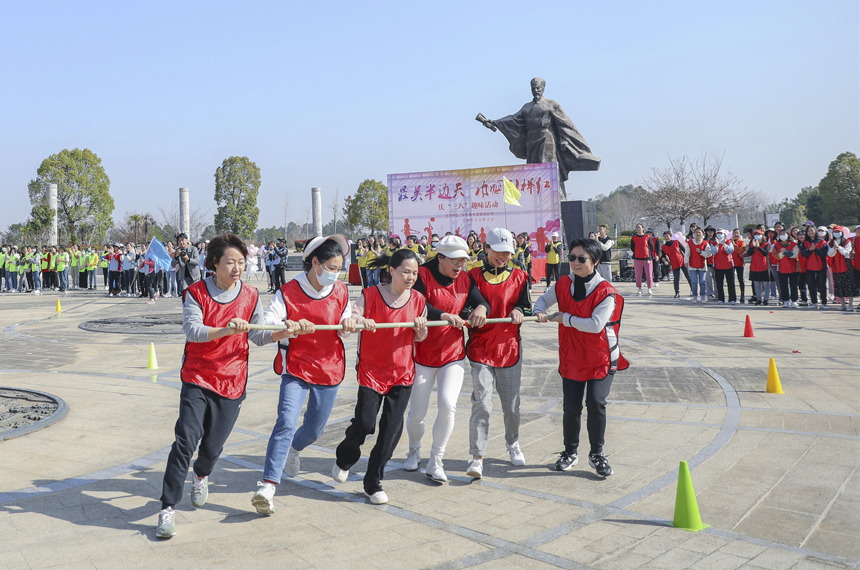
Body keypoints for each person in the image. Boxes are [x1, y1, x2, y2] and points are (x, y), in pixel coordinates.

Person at [156, 233, 289, 539]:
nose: (237, 267)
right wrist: (226, 329)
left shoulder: (251, 295)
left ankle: (202, 475)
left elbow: (257, 334)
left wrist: (281, 334)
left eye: (241, 262)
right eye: (230, 261)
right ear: (214, 263)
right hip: (198, 378)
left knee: (212, 447)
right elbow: (193, 330)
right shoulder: (196, 292)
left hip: (232, 380)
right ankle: (167, 508)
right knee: (185, 441)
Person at [252, 235, 355, 515]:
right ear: (314, 263)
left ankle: (295, 449)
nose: (335, 274)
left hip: (329, 368)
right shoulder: (288, 292)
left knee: (314, 430)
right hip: (295, 369)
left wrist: (350, 324)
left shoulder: (342, 291)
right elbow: (264, 329)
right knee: (285, 421)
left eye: (339, 268)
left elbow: (346, 327)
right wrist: (288, 327)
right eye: (331, 267)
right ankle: (268, 486)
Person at [331, 249, 428, 504]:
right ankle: (345, 458)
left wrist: (420, 331)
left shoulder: (418, 299)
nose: (410, 277)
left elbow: (421, 337)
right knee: (365, 424)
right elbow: (353, 315)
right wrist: (359, 320)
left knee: (390, 432)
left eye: (415, 273)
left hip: (402, 372)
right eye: (405, 271)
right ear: (391, 271)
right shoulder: (370, 294)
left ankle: (372, 481)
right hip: (372, 370)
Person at [534, 238, 628, 478]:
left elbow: (596, 325)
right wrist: (539, 311)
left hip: (600, 357)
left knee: (596, 403)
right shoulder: (563, 283)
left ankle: (597, 454)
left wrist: (563, 318)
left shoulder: (607, 291)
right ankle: (569, 452)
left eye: (582, 259)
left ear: (595, 261)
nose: (575, 263)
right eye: (572, 258)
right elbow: (544, 299)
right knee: (571, 407)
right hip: (571, 357)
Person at [404, 235, 489, 482]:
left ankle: (436, 459)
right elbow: (417, 305)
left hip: (452, 353)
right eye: (454, 261)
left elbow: (480, 301)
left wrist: (482, 308)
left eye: (463, 261)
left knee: (448, 404)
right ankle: (413, 450)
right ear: (440, 257)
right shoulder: (421, 274)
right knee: (417, 412)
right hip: (422, 353)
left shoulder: (465, 278)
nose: (459, 266)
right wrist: (443, 314)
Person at [465, 229, 531, 479]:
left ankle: (513, 443)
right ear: (486, 248)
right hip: (480, 348)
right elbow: (465, 305)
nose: (502, 257)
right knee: (482, 403)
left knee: (511, 405)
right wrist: (471, 313)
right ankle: (477, 457)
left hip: (509, 348)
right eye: (497, 251)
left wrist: (518, 309)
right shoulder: (471, 276)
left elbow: (526, 304)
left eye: (507, 252)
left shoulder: (521, 276)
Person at [801, 226, 830, 309]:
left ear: (816, 231)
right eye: (808, 231)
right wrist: (810, 249)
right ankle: (814, 302)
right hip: (809, 267)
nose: (810, 232)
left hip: (821, 267)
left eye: (812, 230)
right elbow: (803, 254)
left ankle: (824, 302)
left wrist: (815, 249)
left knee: (822, 285)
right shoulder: (805, 243)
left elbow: (823, 254)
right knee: (811, 285)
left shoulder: (822, 242)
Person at [828, 226, 856, 311]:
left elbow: (846, 253)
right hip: (836, 265)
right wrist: (834, 247)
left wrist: (838, 247)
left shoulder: (847, 241)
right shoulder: (830, 243)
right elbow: (830, 254)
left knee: (848, 285)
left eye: (838, 231)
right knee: (839, 285)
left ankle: (850, 305)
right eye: (835, 231)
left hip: (846, 265)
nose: (836, 233)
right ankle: (842, 304)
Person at [707, 229, 737, 304]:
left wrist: (724, 245)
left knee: (730, 283)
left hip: (728, 265)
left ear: (724, 234)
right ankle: (721, 298)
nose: (719, 235)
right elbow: (712, 252)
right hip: (718, 266)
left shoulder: (728, 242)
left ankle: (732, 299)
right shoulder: (713, 243)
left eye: (721, 233)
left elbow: (731, 250)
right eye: (718, 233)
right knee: (719, 283)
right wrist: (717, 245)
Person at [774, 230, 800, 308]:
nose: (782, 235)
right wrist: (782, 253)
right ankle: (785, 300)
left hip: (793, 267)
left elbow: (795, 255)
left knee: (793, 285)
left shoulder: (794, 244)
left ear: (788, 235)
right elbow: (775, 255)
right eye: (780, 234)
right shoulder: (777, 245)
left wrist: (786, 252)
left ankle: (794, 301)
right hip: (782, 268)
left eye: (784, 234)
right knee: (783, 285)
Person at [745, 231, 772, 306]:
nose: (757, 236)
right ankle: (759, 298)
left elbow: (765, 253)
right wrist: (753, 247)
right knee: (756, 284)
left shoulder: (766, 244)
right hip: (755, 266)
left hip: (764, 266)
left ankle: (766, 299)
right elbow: (749, 253)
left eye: (759, 235)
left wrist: (758, 247)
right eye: (755, 235)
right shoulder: (751, 244)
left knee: (766, 284)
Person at [660, 231, 687, 298]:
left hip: (682, 261)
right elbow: (663, 256)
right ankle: (677, 292)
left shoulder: (676, 242)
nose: (666, 237)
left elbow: (684, 250)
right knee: (676, 278)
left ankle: (693, 290)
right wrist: (665, 261)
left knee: (688, 276)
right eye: (665, 236)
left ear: (671, 236)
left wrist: (687, 259)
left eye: (668, 236)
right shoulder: (664, 247)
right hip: (674, 263)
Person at [684, 228, 708, 302]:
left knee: (702, 282)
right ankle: (695, 296)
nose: (698, 234)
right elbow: (687, 253)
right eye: (696, 232)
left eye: (699, 232)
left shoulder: (705, 243)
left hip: (702, 265)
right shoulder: (690, 243)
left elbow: (709, 254)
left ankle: (703, 296)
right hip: (692, 265)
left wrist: (701, 252)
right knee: (694, 282)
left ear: (702, 234)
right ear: (694, 233)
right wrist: (686, 261)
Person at [630, 224, 654, 295]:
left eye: (639, 228)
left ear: (643, 228)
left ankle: (649, 288)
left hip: (647, 258)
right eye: (637, 228)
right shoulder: (634, 238)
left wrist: (648, 253)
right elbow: (632, 247)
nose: (638, 229)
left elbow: (651, 247)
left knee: (649, 274)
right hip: (637, 258)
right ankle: (639, 288)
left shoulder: (647, 237)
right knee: (638, 274)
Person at [730, 229, 747, 304]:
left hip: (739, 263)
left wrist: (733, 244)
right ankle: (732, 296)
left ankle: (742, 295)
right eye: (735, 233)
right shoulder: (729, 242)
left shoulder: (742, 242)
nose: (736, 234)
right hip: (731, 263)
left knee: (740, 280)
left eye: (737, 233)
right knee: (731, 281)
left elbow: (740, 250)